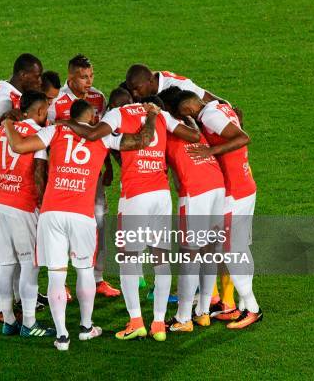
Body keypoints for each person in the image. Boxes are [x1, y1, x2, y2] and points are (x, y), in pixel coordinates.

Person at [4, 99, 159, 351]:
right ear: (93, 117)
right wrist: (151, 115)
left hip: (52, 213)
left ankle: (62, 336)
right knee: (85, 270)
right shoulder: (104, 138)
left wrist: (8, 123)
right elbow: (143, 140)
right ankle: (86, 328)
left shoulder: (55, 130)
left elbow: (19, 145)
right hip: (81, 214)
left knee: (56, 274)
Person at [59, 95, 200, 341]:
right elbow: (193, 136)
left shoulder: (118, 114)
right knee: (161, 259)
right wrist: (189, 118)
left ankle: (136, 321)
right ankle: (158, 324)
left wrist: (66, 123)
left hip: (136, 196)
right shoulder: (160, 113)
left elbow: (94, 134)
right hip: (161, 195)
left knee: (128, 260)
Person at [173, 90, 263, 329]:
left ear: (189, 110)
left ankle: (253, 308)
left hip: (234, 192)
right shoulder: (220, 106)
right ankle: (243, 305)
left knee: (230, 250)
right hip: (245, 185)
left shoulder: (210, 114)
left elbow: (243, 137)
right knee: (240, 248)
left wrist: (209, 151)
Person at [0, 91, 55, 337]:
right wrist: (44, 208)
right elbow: (39, 176)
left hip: (1, 203)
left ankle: (8, 321)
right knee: (30, 266)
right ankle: (29, 324)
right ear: (40, 112)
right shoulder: (38, 135)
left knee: (6, 264)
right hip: (25, 206)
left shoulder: (1, 131)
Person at [0, 53, 43, 321]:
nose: (39, 80)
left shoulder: (5, 89)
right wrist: (4, 118)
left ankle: (3, 301)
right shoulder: (6, 97)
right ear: (24, 75)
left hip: (3, 179)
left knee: (0, 249)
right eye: (36, 76)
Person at [48, 54, 120, 298]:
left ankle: (98, 279)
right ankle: (61, 281)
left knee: (99, 221)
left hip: (91, 174)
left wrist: (108, 166)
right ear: (70, 77)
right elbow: (47, 137)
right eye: (83, 77)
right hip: (62, 175)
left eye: (91, 76)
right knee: (61, 225)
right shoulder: (56, 101)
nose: (88, 82)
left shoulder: (98, 99)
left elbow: (103, 135)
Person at [158, 86, 226, 332]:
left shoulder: (166, 127)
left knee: (189, 256)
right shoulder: (193, 123)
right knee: (209, 253)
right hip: (218, 186)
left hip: (195, 192)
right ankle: (203, 312)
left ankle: (183, 318)